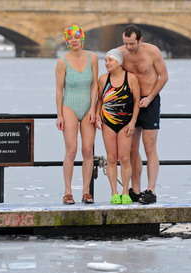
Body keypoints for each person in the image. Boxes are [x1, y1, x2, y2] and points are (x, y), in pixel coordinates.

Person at [118, 24, 169, 204]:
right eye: (126, 43)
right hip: (129, 103)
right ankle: (135, 189)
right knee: (132, 148)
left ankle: (151, 190)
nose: (129, 47)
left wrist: (150, 98)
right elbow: (110, 75)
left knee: (149, 147)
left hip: (150, 101)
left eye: (132, 43)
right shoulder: (119, 53)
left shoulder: (152, 52)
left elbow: (164, 76)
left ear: (140, 40)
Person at [55, 25, 99, 205]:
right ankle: (67, 192)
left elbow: (95, 85)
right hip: (69, 106)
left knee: (88, 150)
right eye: (70, 38)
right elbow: (59, 90)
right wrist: (59, 114)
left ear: (82, 39)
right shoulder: (62, 62)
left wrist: (93, 109)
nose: (74, 41)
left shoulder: (93, 57)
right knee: (71, 150)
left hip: (88, 107)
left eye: (76, 37)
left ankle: (86, 191)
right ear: (67, 41)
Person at [96, 49, 140, 204]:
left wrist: (133, 122)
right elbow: (100, 100)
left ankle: (125, 191)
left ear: (119, 62)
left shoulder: (131, 78)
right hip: (108, 122)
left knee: (125, 158)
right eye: (106, 60)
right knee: (112, 158)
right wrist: (97, 115)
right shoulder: (103, 79)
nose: (107, 63)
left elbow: (136, 102)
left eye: (110, 60)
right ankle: (114, 192)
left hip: (125, 123)